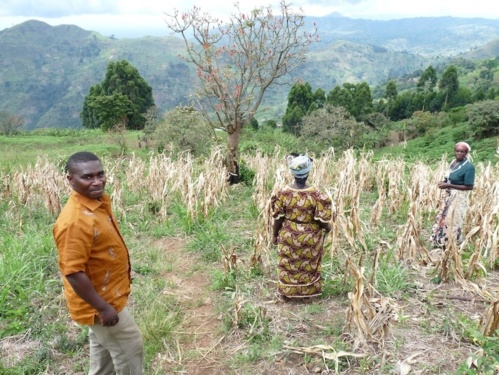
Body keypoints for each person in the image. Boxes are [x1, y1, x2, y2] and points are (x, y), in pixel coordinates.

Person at [53, 151, 144, 374]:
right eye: (87, 177)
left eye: (100, 174)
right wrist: (103, 308)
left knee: (104, 363)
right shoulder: (75, 220)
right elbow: (73, 272)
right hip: (102, 304)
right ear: (70, 180)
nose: (97, 182)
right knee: (130, 351)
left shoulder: (96, 204)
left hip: (109, 295)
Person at [270, 154, 332, 301]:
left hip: (288, 235)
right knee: (308, 265)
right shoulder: (316, 195)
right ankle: (307, 295)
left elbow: (278, 219)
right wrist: (329, 228)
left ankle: (286, 294)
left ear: (292, 173)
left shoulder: (283, 194)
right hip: (310, 238)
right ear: (308, 172)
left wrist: (274, 235)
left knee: (287, 264)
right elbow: (322, 221)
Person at [430, 142, 475, 248]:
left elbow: (469, 187)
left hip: (459, 196)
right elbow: (449, 177)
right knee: (444, 217)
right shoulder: (453, 162)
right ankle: (441, 240)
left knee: (453, 219)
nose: (459, 153)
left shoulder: (469, 167)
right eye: (457, 151)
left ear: (466, 153)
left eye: (462, 151)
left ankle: (451, 244)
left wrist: (449, 185)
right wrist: (444, 182)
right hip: (449, 195)